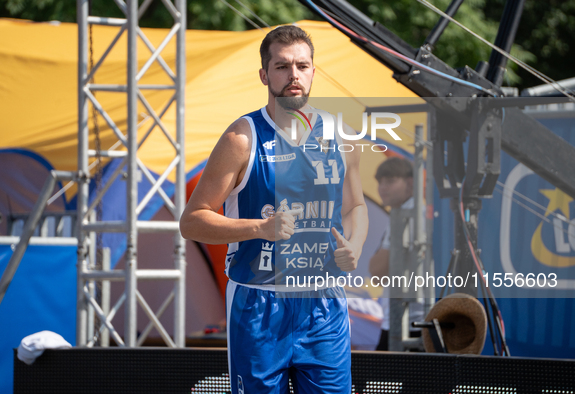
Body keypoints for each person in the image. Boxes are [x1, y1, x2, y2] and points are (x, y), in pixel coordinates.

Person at [180, 25, 368, 393]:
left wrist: (356, 244)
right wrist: (259, 229)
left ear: (314, 71)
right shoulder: (241, 138)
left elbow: (356, 206)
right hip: (258, 300)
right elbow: (192, 221)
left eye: (301, 65)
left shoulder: (341, 135)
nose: (293, 75)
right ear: (265, 75)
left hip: (323, 301)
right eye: (282, 67)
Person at [369, 157, 424, 351]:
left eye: (390, 181)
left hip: (407, 324)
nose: (382, 187)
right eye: (380, 182)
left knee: (377, 379)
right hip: (407, 321)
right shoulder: (409, 214)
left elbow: (378, 272)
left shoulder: (408, 216)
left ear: (410, 182)